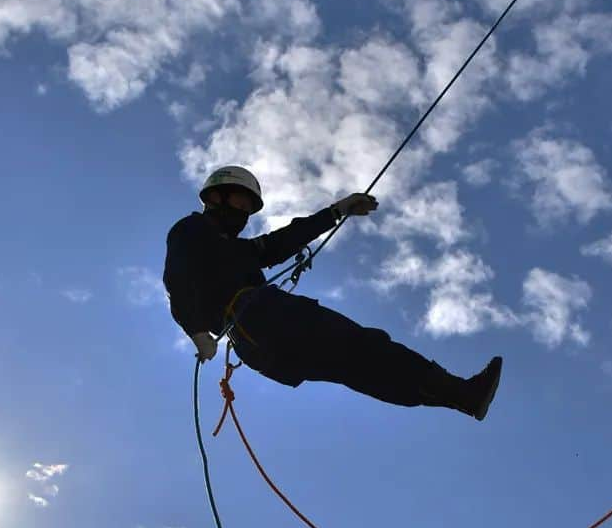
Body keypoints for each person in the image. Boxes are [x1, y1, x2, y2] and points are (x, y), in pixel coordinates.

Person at [163, 165, 503, 420]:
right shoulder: (193, 229)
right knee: (363, 348)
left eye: (249, 208)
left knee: (361, 367)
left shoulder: (238, 250)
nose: (244, 213)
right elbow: (176, 277)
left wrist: (336, 211)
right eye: (240, 201)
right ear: (217, 197)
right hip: (263, 319)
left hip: (262, 345)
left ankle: (461, 397)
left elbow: (281, 241)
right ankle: (460, 392)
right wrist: (194, 331)